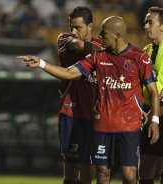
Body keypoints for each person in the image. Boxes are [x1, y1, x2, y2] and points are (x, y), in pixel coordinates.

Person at [17, 16, 160, 184]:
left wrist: (155, 120)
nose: (99, 35)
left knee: (129, 176)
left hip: (128, 127)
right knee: (102, 174)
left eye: (103, 32)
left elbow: (153, 92)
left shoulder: (139, 57)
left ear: (117, 35)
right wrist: (41, 63)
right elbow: (69, 73)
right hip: (102, 125)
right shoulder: (97, 57)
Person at [56, 6, 101, 184]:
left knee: (89, 173)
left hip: (94, 114)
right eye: (71, 27)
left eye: (78, 28)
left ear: (90, 26)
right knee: (72, 170)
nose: (73, 31)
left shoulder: (99, 44)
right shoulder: (65, 40)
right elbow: (80, 44)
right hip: (70, 113)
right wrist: (111, 51)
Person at [139, 6, 163, 184]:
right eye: (145, 22)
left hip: (157, 113)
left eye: (150, 22)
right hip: (148, 112)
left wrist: (154, 116)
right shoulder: (145, 51)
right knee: (146, 166)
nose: (145, 26)